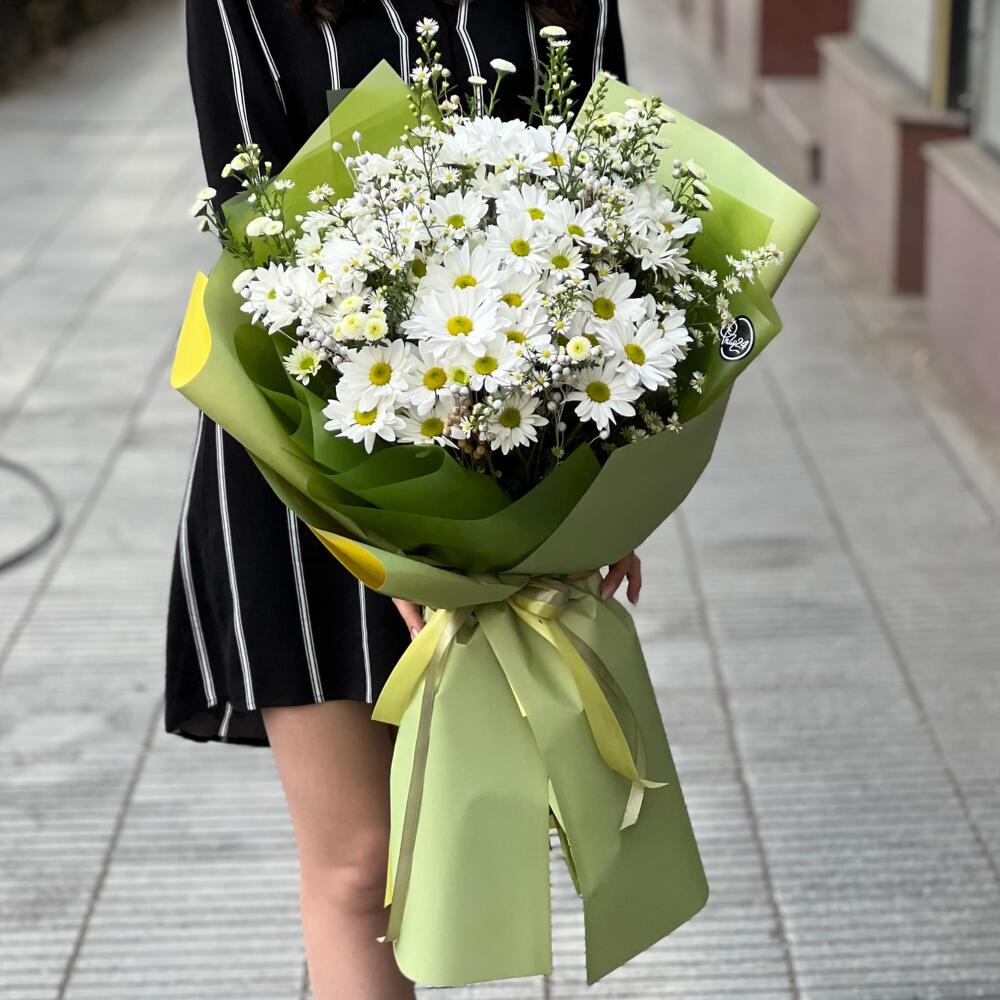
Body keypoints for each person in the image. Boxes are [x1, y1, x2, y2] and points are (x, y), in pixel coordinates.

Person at [167, 1, 639, 996]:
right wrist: (386, 537)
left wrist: (605, 488)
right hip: (305, 462)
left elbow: (613, 221)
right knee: (361, 867)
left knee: (453, 856)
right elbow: (257, 228)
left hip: (511, 463)